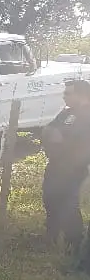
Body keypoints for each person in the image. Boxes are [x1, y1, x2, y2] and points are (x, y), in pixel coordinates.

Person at [42, 79, 90, 252]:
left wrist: (61, 141)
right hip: (55, 164)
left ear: (82, 95)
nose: (64, 97)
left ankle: (75, 241)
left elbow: (80, 144)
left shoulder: (87, 116)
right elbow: (48, 130)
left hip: (73, 168)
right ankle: (52, 236)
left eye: (68, 93)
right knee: (50, 199)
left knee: (68, 203)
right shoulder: (66, 113)